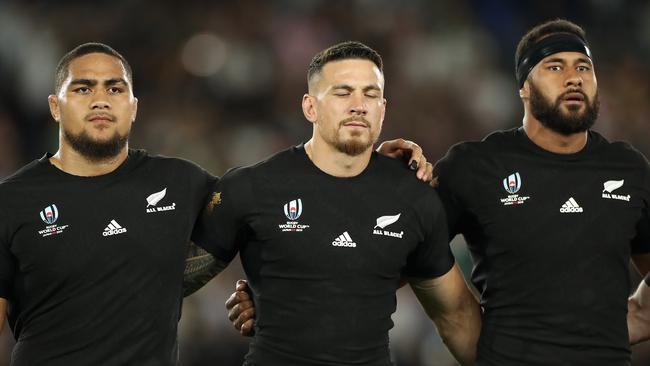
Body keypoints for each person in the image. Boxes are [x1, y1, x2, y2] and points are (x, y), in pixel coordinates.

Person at [228, 20, 650, 365]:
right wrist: (285, 300)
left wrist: (633, 317)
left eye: (583, 67)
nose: (574, 77)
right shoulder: (475, 166)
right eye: (554, 67)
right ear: (523, 86)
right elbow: (391, 252)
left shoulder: (629, 169)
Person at [0, 42, 431, 366]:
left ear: (133, 107)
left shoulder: (182, 183)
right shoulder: (12, 201)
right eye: (83, 88)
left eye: (115, 88)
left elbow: (302, 223)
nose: (100, 99)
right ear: (55, 107)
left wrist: (371, 170)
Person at [192, 41, 481, 366]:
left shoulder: (412, 197)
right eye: (343, 93)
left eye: (370, 94)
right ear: (310, 107)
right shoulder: (251, 187)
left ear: (383, 109)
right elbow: (166, 280)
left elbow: (456, 316)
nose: (359, 105)